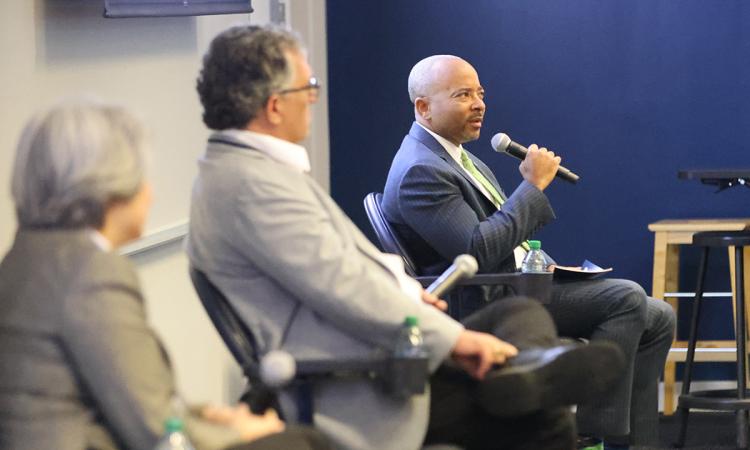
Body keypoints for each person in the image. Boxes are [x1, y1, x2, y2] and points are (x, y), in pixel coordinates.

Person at [187, 25, 625, 450]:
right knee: (539, 418)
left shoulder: (249, 172)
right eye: (310, 87)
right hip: (361, 378)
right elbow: (342, 287)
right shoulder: (252, 187)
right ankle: (522, 378)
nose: (314, 99)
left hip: (385, 346)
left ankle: (522, 374)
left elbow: (336, 272)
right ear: (275, 105)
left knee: (517, 316)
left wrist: (405, 292)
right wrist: (454, 340)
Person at [381, 54, 677, 449]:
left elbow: (502, 238)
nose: (479, 104)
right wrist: (533, 188)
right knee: (625, 298)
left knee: (659, 315)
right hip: (484, 300)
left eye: (480, 93)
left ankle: (639, 443)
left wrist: (547, 267)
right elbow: (477, 251)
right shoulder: (421, 170)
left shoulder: (458, 158)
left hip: (517, 282)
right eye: (463, 94)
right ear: (424, 107)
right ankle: (591, 436)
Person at [0, 99, 332, 450]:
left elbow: (127, 398)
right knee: (303, 443)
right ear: (110, 184)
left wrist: (212, 417)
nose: (151, 192)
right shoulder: (90, 275)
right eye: (142, 175)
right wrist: (242, 433)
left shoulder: (25, 258)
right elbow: (157, 430)